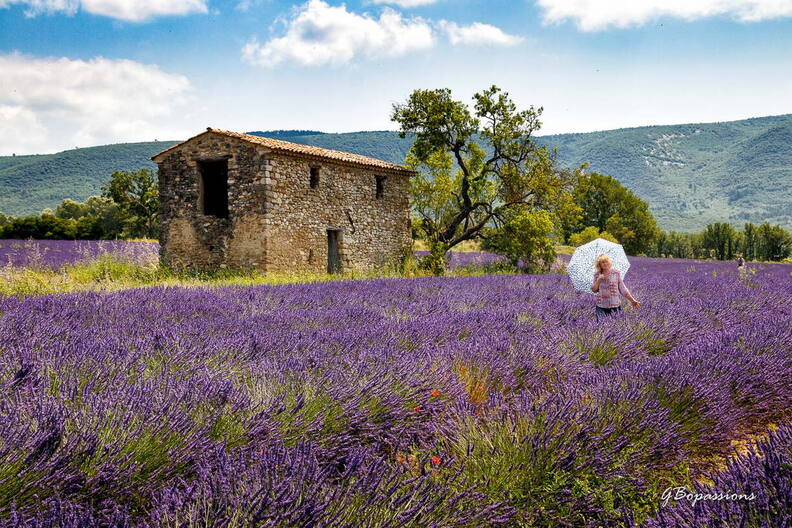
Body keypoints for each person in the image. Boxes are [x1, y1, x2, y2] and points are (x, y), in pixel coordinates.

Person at [591, 254, 640, 322]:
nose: (605, 263)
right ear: (599, 264)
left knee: (615, 326)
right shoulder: (597, 275)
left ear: (609, 262)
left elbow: (623, 289)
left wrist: (632, 300)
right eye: (602, 262)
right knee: (601, 327)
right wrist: (598, 280)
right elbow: (594, 290)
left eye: (606, 261)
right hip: (601, 306)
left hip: (615, 306)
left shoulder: (616, 273)